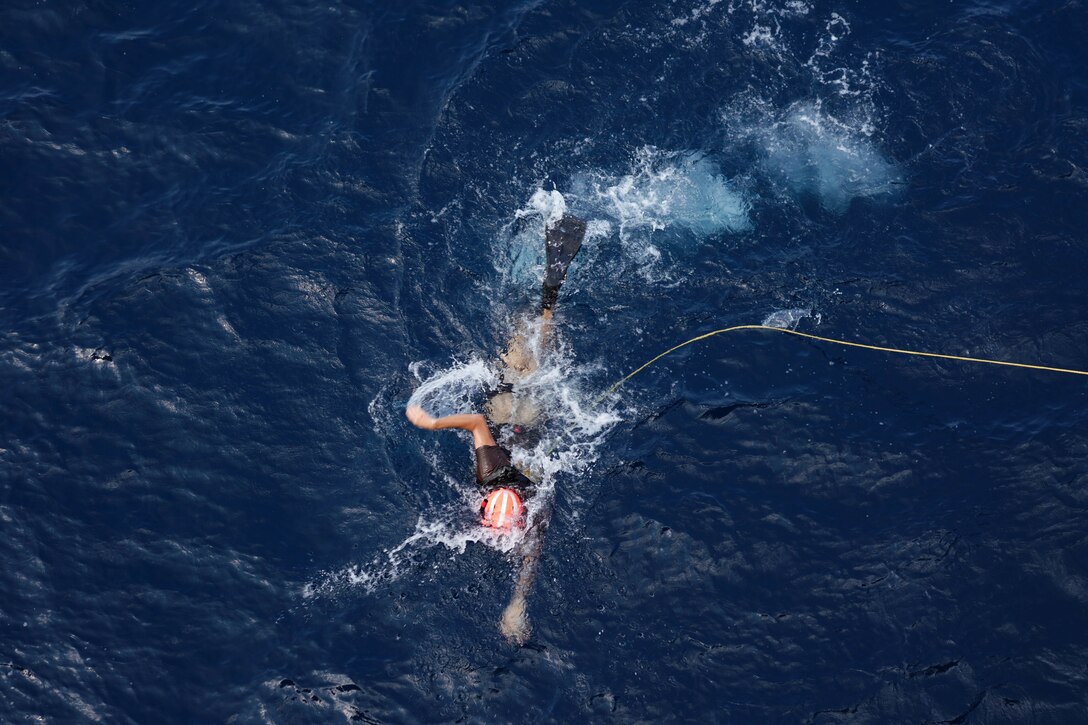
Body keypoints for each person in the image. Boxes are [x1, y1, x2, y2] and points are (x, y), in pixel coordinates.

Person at [404, 213, 587, 644]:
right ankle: (548, 287)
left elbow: (530, 559)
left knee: (539, 345)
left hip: (533, 414)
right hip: (509, 408)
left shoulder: (530, 499)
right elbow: (474, 421)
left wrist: (517, 605)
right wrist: (431, 421)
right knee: (523, 346)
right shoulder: (491, 475)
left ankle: (549, 291)